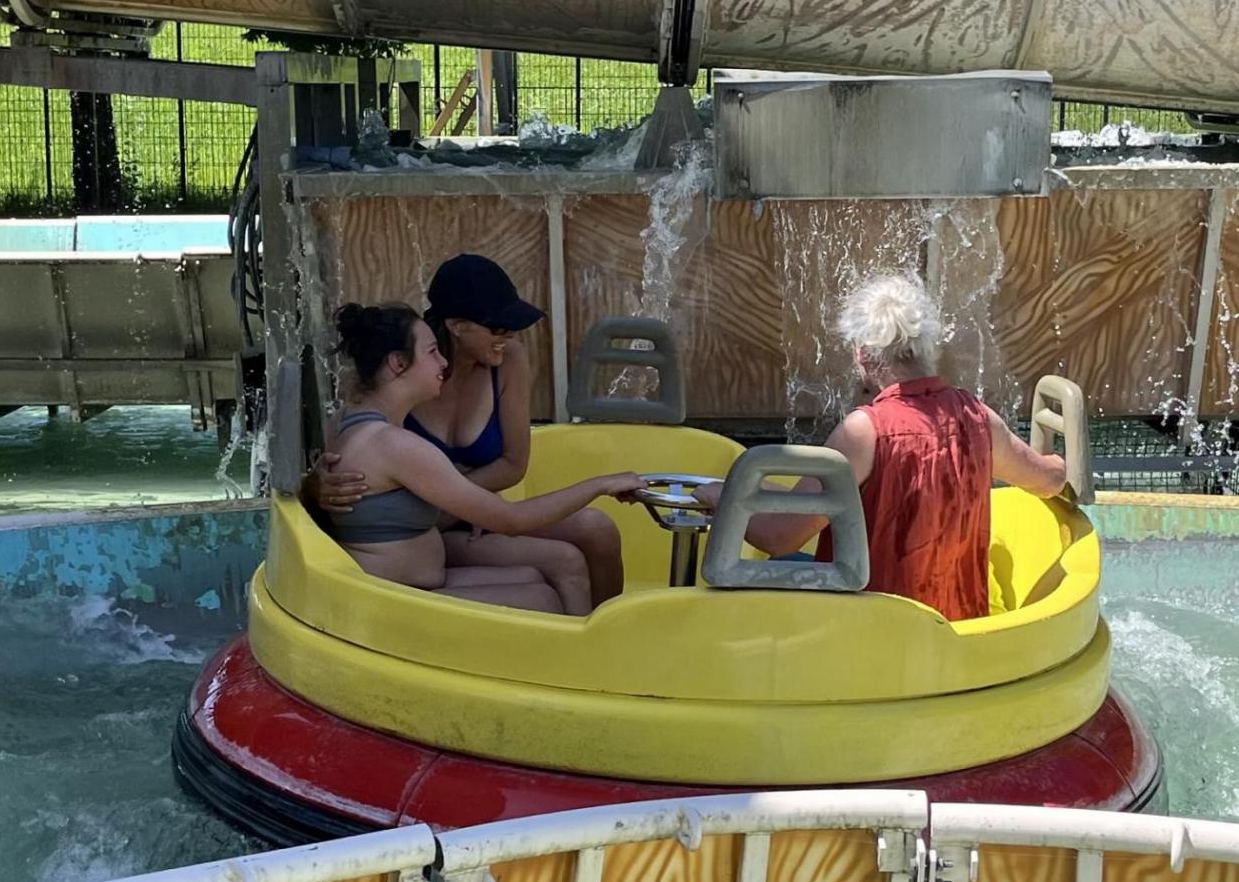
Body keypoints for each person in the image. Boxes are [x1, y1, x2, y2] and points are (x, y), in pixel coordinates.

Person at [697, 272, 1066, 622]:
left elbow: (781, 537)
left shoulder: (863, 432)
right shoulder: (979, 418)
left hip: (874, 632)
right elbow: (1048, 480)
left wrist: (720, 497)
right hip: (956, 631)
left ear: (861, 353)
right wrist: (1063, 463)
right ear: (927, 345)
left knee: (773, 569)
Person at [314, 254, 626, 606]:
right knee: (563, 564)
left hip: (459, 511)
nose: (509, 335)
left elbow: (513, 464)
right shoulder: (401, 387)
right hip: (429, 530)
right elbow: (348, 460)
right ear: (457, 326)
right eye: (497, 326)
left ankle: (609, 629)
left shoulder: (501, 361)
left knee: (596, 530)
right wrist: (316, 486)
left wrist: (464, 499)